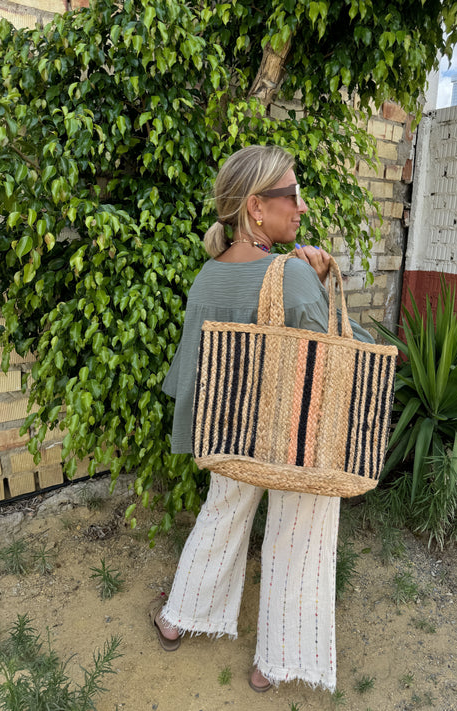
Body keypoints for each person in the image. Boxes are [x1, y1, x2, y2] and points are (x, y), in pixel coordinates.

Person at [151, 145, 374, 693]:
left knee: (221, 516)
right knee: (298, 535)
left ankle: (178, 616)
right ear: (256, 207)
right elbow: (335, 352)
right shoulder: (292, 276)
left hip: (230, 431)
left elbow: (190, 373)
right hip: (296, 433)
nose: (301, 208)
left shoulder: (206, 277)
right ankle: (273, 662)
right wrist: (318, 282)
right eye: (292, 195)